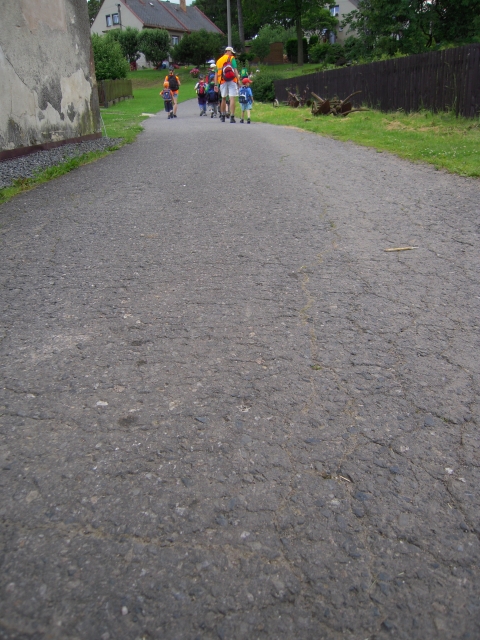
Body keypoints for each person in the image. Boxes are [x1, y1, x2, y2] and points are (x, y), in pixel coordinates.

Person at [215, 46, 240, 123]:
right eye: (232, 52)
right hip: (232, 80)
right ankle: (232, 117)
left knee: (223, 98)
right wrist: (238, 81)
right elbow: (235, 70)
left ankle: (223, 116)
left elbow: (216, 74)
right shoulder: (232, 58)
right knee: (232, 98)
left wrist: (215, 84)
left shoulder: (218, 61)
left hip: (222, 81)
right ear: (229, 51)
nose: (232, 54)